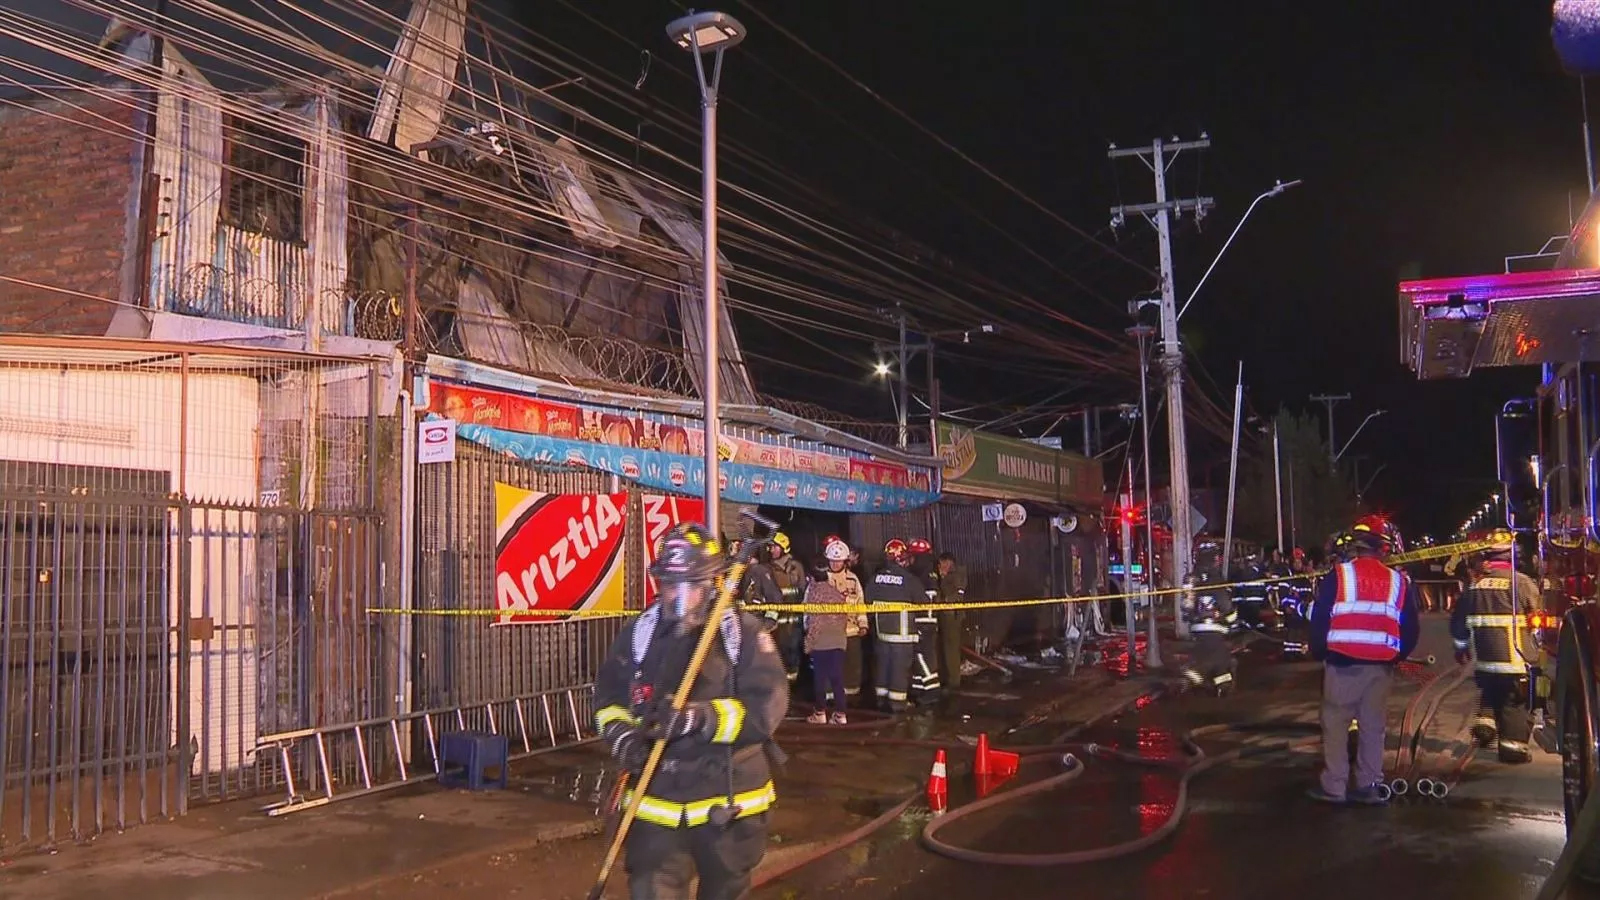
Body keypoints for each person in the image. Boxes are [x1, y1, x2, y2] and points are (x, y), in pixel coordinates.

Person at [592, 524, 789, 900]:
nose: (679, 597)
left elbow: (767, 707)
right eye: (671, 585)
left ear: (712, 584)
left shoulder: (742, 634)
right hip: (656, 799)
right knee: (651, 889)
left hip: (728, 800)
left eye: (691, 586)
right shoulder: (640, 633)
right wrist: (623, 736)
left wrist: (699, 719)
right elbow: (609, 698)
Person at [1306, 519, 1420, 805]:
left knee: (1336, 724)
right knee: (1372, 727)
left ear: (1355, 546)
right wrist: (1395, 655)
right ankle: (1369, 784)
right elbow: (1411, 628)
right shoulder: (1398, 581)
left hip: (1342, 663)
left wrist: (1320, 651)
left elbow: (1320, 618)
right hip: (1380, 667)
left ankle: (1335, 786)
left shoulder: (1338, 576)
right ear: (1384, 548)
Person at [1451, 533, 1543, 763]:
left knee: (1492, 691)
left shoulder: (1474, 586)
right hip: (1516, 661)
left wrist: (1461, 649)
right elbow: (1537, 617)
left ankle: (1486, 720)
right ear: (1513, 555)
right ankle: (1513, 749)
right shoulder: (1521, 582)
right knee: (1516, 702)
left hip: (1484, 662)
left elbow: (1458, 623)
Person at [867, 538, 925, 713]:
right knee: (899, 670)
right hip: (903, 636)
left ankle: (880, 700)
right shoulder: (909, 579)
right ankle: (897, 703)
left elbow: (867, 601)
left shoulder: (875, 579)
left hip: (881, 634)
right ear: (901, 558)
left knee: (882, 667)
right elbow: (922, 602)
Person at [1180, 537, 1238, 694]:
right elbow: (1226, 605)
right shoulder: (1217, 579)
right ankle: (1194, 676)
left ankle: (1204, 680)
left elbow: (1186, 607)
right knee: (1220, 659)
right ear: (1213, 558)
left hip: (1196, 628)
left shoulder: (1192, 579)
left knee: (1210, 656)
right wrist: (1232, 620)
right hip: (1216, 628)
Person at [821, 536, 868, 703]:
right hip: (827, 633)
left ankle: (851, 697)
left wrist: (863, 624)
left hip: (851, 631)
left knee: (851, 666)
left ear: (845, 561)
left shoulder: (853, 579)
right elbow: (808, 605)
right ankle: (829, 698)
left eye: (839, 561)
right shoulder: (820, 579)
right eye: (833, 561)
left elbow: (860, 603)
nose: (835, 564)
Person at [803, 567, 850, 724]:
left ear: (812, 578)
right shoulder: (836, 593)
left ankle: (820, 713)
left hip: (821, 643)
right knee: (837, 679)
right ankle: (840, 714)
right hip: (839, 641)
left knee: (820, 679)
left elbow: (814, 622)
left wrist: (808, 643)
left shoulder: (814, 594)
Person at [906, 538, 942, 704]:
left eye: (911, 556)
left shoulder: (920, 575)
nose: (909, 560)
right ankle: (918, 688)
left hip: (923, 622)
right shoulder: (929, 572)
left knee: (921, 655)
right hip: (927, 622)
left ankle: (932, 689)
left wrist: (921, 624)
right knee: (922, 655)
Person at [932, 552, 969, 691]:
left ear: (948, 562)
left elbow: (957, 595)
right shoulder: (944, 575)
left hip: (952, 616)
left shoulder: (957, 575)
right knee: (943, 648)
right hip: (944, 615)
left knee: (951, 649)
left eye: (942, 564)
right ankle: (946, 678)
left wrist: (942, 601)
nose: (940, 567)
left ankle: (953, 681)